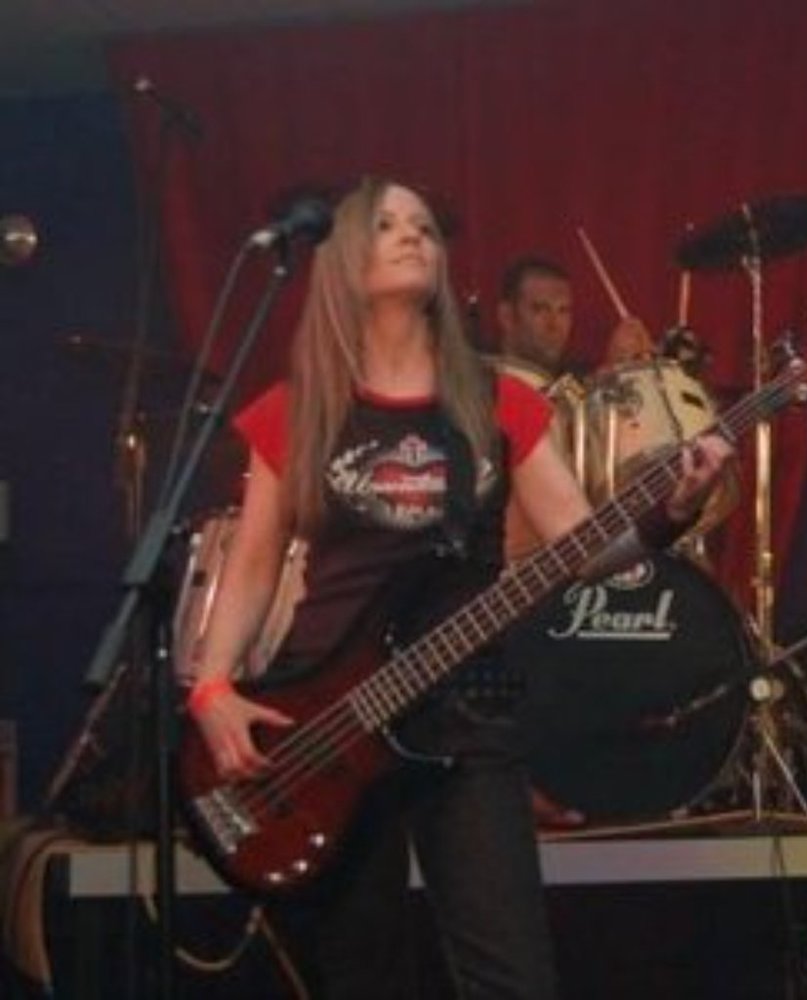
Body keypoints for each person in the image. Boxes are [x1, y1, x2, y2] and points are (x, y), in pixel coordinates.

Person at [185, 177, 731, 999]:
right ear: (343, 261)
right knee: (359, 979)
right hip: (328, 714)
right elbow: (255, 561)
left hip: (465, 714)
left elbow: (582, 547)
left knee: (512, 979)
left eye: (425, 227)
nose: (414, 235)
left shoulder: (498, 399)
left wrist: (671, 513)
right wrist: (213, 685)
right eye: (387, 225)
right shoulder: (299, 406)